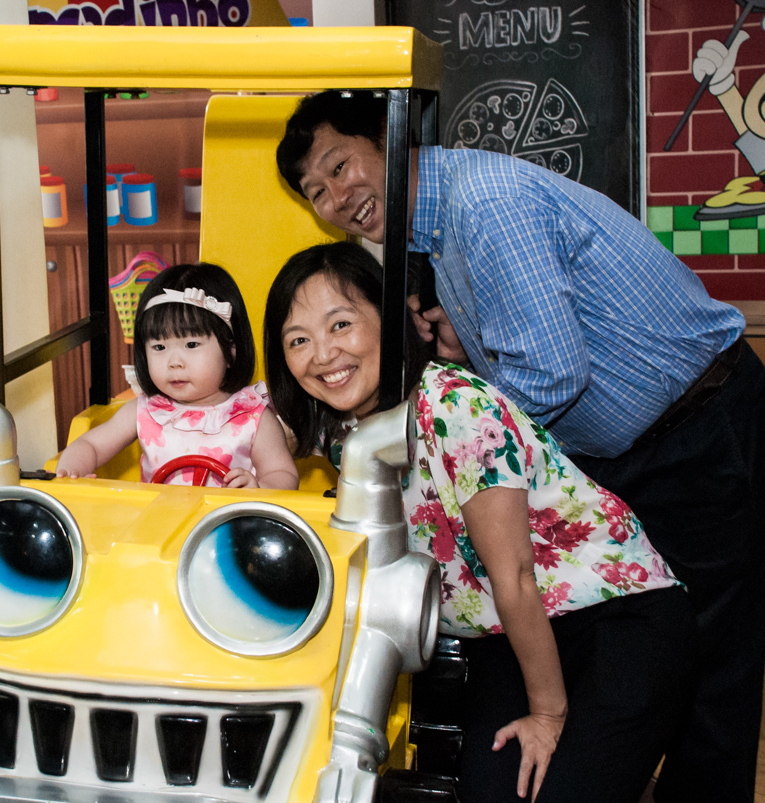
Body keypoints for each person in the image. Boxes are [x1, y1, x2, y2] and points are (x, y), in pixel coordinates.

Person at [276, 91, 765, 803]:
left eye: (340, 166)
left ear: (386, 141)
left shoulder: (483, 206)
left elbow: (550, 374)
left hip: (696, 426)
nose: (336, 197)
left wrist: (432, 414)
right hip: (619, 456)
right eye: (316, 192)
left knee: (713, 673)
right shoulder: (440, 233)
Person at [265, 241, 695, 803]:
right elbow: (239, 410)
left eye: (340, 324)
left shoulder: (451, 404)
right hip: (504, 639)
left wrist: (547, 714)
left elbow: (514, 574)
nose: (322, 355)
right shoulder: (343, 430)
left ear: (393, 319)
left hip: (613, 619)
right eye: (299, 340)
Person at [56, 262, 298, 490]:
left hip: (231, 529)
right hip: (159, 529)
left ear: (231, 350)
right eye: (159, 347)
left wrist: (259, 488)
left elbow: (283, 474)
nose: (174, 362)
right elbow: (91, 446)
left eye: (191, 344)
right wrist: (72, 470)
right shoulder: (145, 411)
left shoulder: (253, 417)